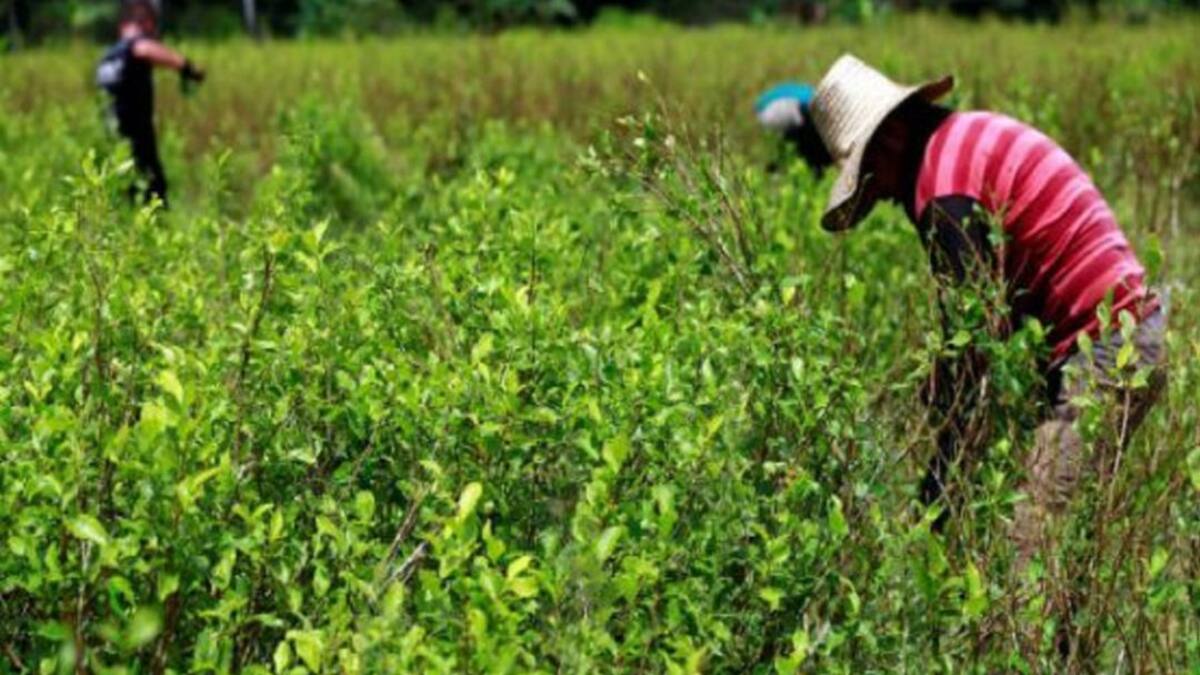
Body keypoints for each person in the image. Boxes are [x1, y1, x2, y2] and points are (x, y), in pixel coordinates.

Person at [805, 54, 1164, 613]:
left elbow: (973, 353)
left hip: (1108, 348)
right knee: (1057, 544)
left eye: (872, 180)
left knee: (1033, 541)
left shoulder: (944, 195)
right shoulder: (960, 144)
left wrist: (935, 499)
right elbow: (988, 327)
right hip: (1115, 339)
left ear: (892, 137)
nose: (884, 200)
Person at [96, 0, 205, 207]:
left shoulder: (108, 58)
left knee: (129, 193)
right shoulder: (134, 46)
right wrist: (186, 67)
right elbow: (143, 48)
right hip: (135, 138)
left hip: (114, 138)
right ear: (146, 23)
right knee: (154, 192)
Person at [754, 82, 832, 172]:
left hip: (784, 110)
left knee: (805, 148)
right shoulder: (813, 107)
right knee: (810, 149)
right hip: (779, 110)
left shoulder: (816, 100)